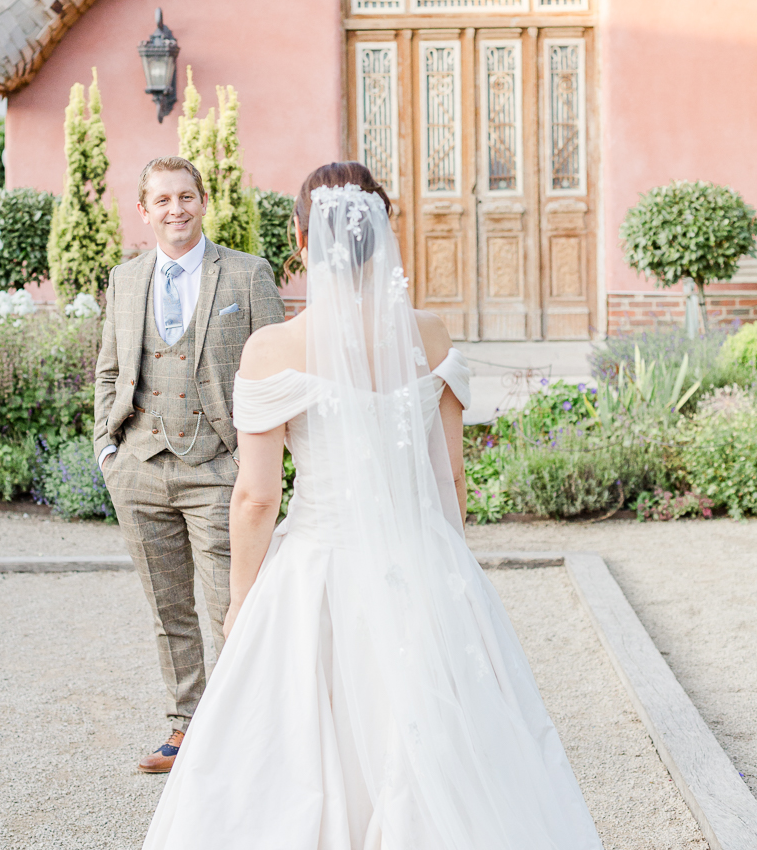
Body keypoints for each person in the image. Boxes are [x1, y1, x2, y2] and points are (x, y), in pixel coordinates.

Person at [142, 161, 602, 849]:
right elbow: (449, 474)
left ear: (301, 241)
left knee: (291, 749)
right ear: (385, 233)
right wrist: (449, 572)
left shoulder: (275, 349)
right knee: (442, 737)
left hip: (319, 566)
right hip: (424, 556)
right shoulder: (433, 336)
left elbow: (256, 498)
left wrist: (240, 601)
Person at [94, 156, 285, 773]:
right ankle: (184, 725)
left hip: (220, 468)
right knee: (167, 607)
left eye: (186, 196)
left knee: (232, 602)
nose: (175, 209)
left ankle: (245, 729)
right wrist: (108, 451)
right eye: (162, 200)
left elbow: (278, 371)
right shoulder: (125, 281)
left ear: (204, 202)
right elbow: (107, 370)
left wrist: (255, 461)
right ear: (144, 210)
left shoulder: (248, 275)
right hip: (141, 467)